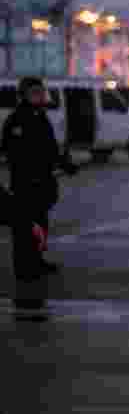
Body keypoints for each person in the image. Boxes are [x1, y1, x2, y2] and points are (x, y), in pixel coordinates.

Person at [1, 76, 78, 289]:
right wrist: (32, 170)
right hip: (25, 184)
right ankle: (24, 268)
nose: (40, 96)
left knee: (40, 224)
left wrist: (65, 165)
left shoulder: (40, 117)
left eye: (41, 92)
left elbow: (50, 148)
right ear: (24, 95)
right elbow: (13, 151)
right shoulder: (17, 120)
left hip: (43, 182)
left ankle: (37, 261)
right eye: (35, 92)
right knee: (25, 227)